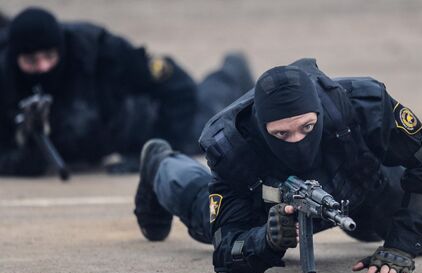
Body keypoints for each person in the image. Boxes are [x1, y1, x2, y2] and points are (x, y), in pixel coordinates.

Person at [133, 58, 422, 273]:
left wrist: (401, 246)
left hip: (364, 184)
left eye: (307, 127)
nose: (297, 140)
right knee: (201, 214)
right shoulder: (232, 147)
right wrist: (265, 240)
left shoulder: (364, 105)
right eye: (281, 134)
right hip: (267, 206)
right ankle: (160, 163)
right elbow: (226, 256)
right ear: (262, 129)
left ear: (320, 112)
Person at [0, 7, 253, 176]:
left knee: (209, 122)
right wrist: (22, 160)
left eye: (49, 57)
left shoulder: (100, 51)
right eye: (31, 61)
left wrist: (155, 151)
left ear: (61, 49)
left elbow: (177, 86)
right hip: (85, 145)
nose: (42, 67)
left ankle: (232, 71)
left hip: (140, 124)